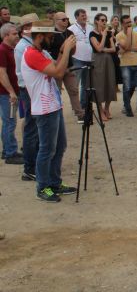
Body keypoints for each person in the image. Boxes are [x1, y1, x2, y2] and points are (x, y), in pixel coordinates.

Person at [21, 20, 77, 202]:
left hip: (53, 105)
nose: (52, 40)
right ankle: (43, 187)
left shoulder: (40, 52)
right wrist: (66, 49)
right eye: (50, 37)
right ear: (39, 37)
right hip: (45, 109)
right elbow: (58, 72)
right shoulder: (32, 54)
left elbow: (58, 65)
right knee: (47, 149)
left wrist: (62, 51)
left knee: (59, 146)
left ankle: (54, 182)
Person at [14, 14, 40, 180]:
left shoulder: (29, 44)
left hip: (31, 89)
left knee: (35, 128)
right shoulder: (23, 47)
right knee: (32, 128)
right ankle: (30, 168)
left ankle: (33, 164)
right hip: (29, 89)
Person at [48, 12, 83, 123]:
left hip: (69, 66)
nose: (66, 21)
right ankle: (58, 115)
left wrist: (70, 48)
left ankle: (79, 113)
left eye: (67, 19)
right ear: (56, 20)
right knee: (56, 92)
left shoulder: (70, 32)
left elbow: (73, 51)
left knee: (74, 90)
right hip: (56, 66)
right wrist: (63, 50)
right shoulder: (51, 33)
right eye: (63, 19)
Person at [0, 23, 23, 164]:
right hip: (6, 93)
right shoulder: (2, 50)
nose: (17, 36)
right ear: (6, 35)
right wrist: (11, 92)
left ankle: (7, 150)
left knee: (8, 122)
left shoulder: (11, 49)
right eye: (14, 34)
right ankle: (10, 153)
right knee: (10, 122)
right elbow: (1, 73)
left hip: (11, 92)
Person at [89, 13, 117, 121]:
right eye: (102, 20)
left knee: (109, 83)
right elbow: (99, 48)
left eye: (105, 20)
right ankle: (100, 111)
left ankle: (107, 108)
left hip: (108, 60)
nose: (104, 22)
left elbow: (113, 49)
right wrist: (104, 36)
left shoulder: (109, 33)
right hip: (97, 61)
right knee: (99, 85)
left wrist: (104, 48)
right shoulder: (92, 34)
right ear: (96, 21)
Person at [68, 8, 93, 109]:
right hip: (77, 59)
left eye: (85, 15)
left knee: (86, 85)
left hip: (89, 59)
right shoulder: (71, 29)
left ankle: (84, 105)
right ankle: (76, 107)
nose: (84, 17)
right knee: (75, 85)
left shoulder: (90, 27)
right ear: (76, 17)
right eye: (82, 15)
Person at [108, 15, 123, 91]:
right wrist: (113, 36)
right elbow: (112, 40)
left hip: (118, 51)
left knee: (117, 68)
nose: (116, 21)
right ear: (111, 21)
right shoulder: (109, 30)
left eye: (117, 20)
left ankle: (116, 86)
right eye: (115, 20)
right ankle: (113, 87)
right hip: (111, 51)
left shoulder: (119, 30)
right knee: (112, 69)